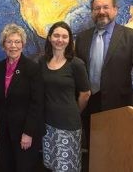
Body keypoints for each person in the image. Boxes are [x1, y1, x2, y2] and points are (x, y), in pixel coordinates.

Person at [75, 0, 133, 149]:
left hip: (120, 105)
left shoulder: (132, 37)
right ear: (92, 12)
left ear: (115, 10)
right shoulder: (82, 38)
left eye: (106, 7)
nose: (101, 11)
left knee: (117, 149)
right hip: (89, 105)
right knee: (94, 149)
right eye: (97, 8)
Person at [0, 23, 44, 172]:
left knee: (23, 167)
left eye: (17, 42)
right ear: (3, 45)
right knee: (6, 166)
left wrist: (28, 132)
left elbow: (37, 103)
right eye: (9, 42)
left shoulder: (32, 68)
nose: (13, 46)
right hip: (4, 129)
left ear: (23, 44)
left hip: (24, 132)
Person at [40, 21, 91, 172]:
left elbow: (85, 94)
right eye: (56, 35)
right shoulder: (42, 62)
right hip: (47, 123)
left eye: (64, 36)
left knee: (66, 166)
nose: (60, 40)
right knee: (51, 164)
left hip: (68, 124)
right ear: (49, 38)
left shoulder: (76, 64)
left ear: (69, 40)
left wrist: (75, 111)